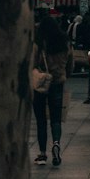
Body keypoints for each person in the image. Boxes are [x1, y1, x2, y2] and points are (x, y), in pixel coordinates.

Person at [33, 10, 71, 166]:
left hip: (41, 83)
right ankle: (56, 144)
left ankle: (42, 153)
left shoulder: (40, 42)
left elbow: (33, 61)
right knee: (56, 118)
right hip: (57, 82)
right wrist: (64, 74)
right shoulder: (65, 42)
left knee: (41, 119)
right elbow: (71, 63)